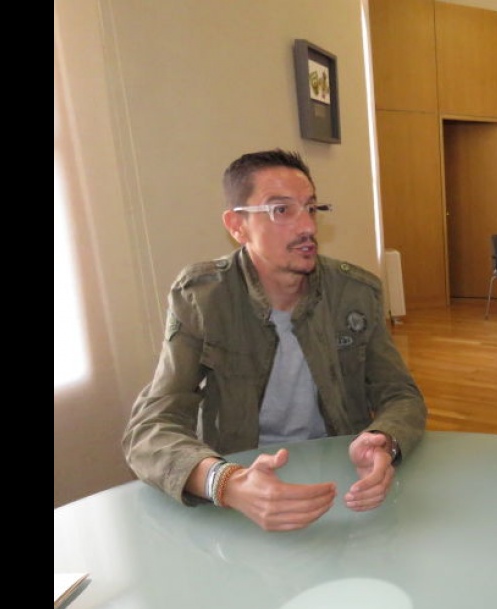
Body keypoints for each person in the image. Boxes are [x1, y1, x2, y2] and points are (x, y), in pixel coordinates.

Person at [122, 149, 427, 532]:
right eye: (281, 210)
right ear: (237, 225)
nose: (308, 227)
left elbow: (400, 394)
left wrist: (383, 439)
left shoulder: (354, 293)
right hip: (240, 487)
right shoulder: (203, 297)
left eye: (311, 208)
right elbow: (150, 427)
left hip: (338, 485)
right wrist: (226, 482)